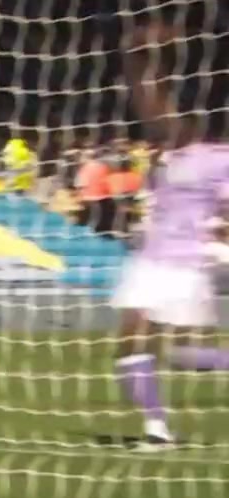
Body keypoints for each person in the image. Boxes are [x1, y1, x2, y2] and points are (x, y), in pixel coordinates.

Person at [110, 21, 229, 450]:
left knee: (164, 349)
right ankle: (157, 430)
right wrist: (135, 58)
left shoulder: (216, 158)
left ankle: (157, 431)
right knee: (141, 344)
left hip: (181, 263)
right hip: (153, 258)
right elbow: (150, 101)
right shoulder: (181, 145)